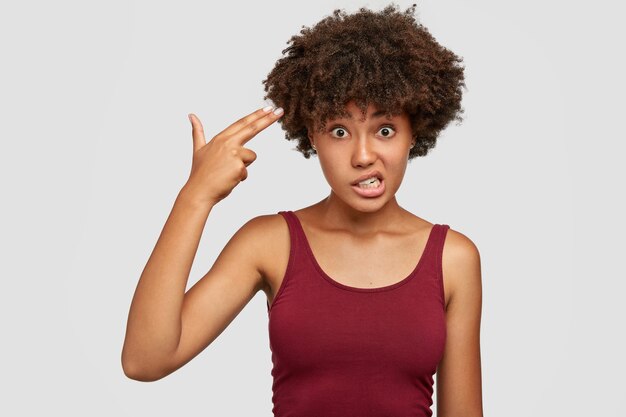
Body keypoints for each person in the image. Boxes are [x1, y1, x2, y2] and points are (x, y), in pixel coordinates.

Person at [122, 3, 483, 416]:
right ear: (312, 133)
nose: (364, 155)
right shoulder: (269, 243)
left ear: (413, 132)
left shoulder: (453, 258)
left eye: (385, 130)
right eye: (340, 131)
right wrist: (194, 197)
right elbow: (144, 360)